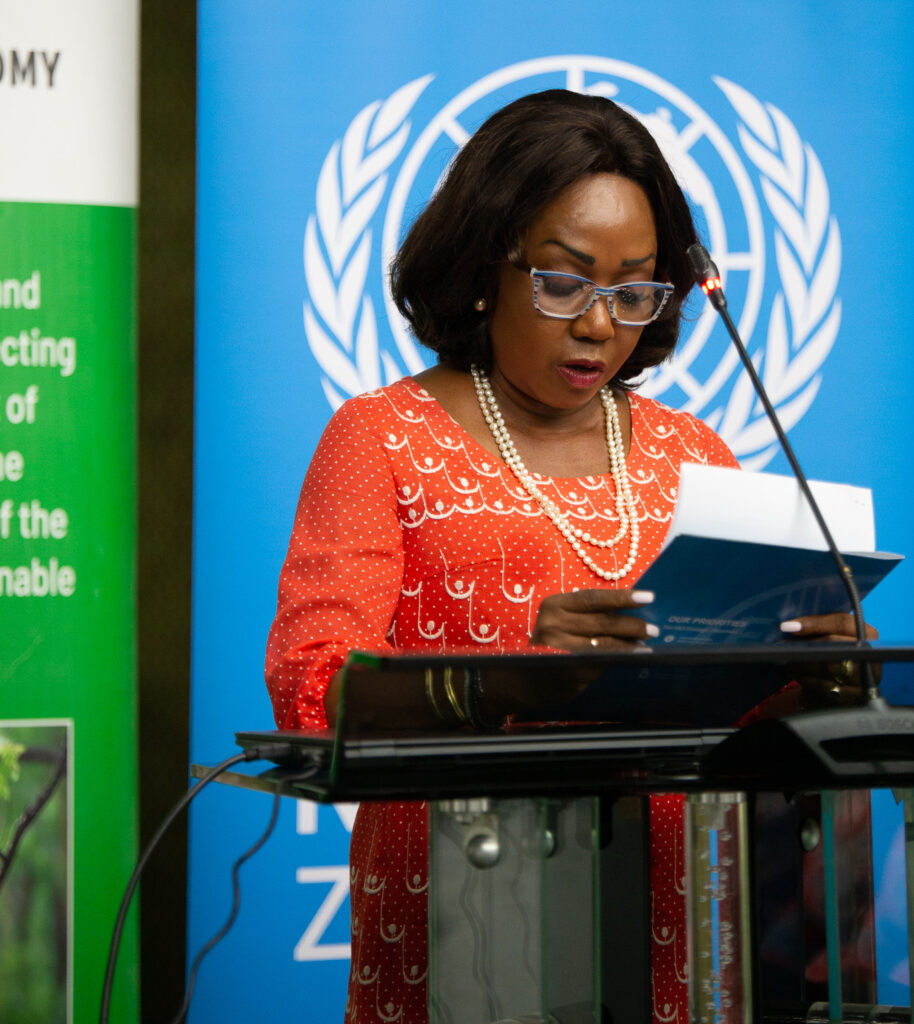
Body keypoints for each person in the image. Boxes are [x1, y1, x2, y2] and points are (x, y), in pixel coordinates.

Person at [266, 90, 870, 1024]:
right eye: (565, 282)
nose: (599, 324)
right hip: (461, 918)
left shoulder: (692, 453)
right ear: (483, 268)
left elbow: (738, 709)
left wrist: (818, 674)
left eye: (634, 290)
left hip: (686, 922)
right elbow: (309, 692)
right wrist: (508, 679)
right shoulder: (379, 438)